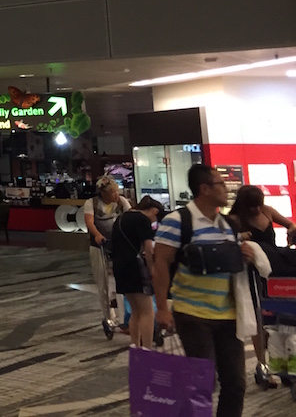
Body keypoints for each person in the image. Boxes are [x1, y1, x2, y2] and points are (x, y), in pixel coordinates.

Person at [154, 164, 267, 417]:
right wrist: (162, 308)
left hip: (228, 315)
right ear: (204, 188)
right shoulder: (178, 221)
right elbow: (160, 264)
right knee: (202, 383)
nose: (226, 189)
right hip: (192, 313)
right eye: (221, 184)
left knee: (236, 384)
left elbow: (229, 262)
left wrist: (245, 255)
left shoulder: (227, 224)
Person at [227, 184, 296, 385]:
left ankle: (281, 363)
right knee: (257, 317)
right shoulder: (235, 219)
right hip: (250, 271)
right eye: (252, 207)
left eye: (259, 205)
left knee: (277, 317)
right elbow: (225, 241)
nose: (257, 210)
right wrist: (239, 237)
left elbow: (290, 224)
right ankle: (261, 362)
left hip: (273, 268)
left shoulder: (268, 211)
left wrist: (291, 231)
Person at [110, 196, 164, 348]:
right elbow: (148, 247)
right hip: (136, 268)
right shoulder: (142, 220)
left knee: (135, 310)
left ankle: (135, 346)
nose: (154, 222)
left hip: (120, 267)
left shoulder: (120, 218)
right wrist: (152, 268)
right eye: (155, 218)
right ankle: (146, 348)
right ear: (154, 211)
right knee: (147, 311)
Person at [82, 175, 133, 333]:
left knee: (122, 282)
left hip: (118, 245)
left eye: (116, 191)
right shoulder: (92, 204)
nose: (116, 195)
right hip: (99, 246)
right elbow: (89, 222)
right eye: (112, 192)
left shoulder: (121, 202)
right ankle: (108, 316)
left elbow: (131, 218)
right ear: (103, 193)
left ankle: (126, 318)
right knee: (103, 283)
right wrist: (97, 235)